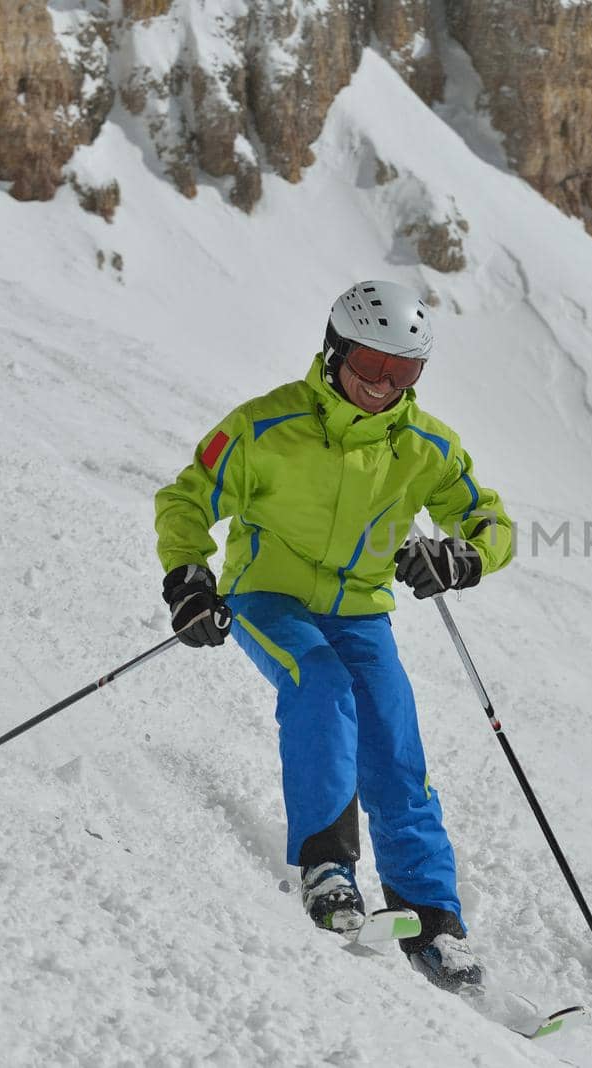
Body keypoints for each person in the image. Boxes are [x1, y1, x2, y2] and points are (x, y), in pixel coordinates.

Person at [153, 280, 513, 990]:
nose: (381, 386)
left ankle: (432, 918)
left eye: (401, 372)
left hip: (361, 610)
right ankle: (327, 869)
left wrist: (462, 556)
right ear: (335, 350)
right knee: (321, 686)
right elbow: (186, 497)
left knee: (393, 740)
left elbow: (489, 521)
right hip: (268, 595)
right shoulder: (265, 428)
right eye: (368, 366)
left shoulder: (425, 446)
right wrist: (188, 580)